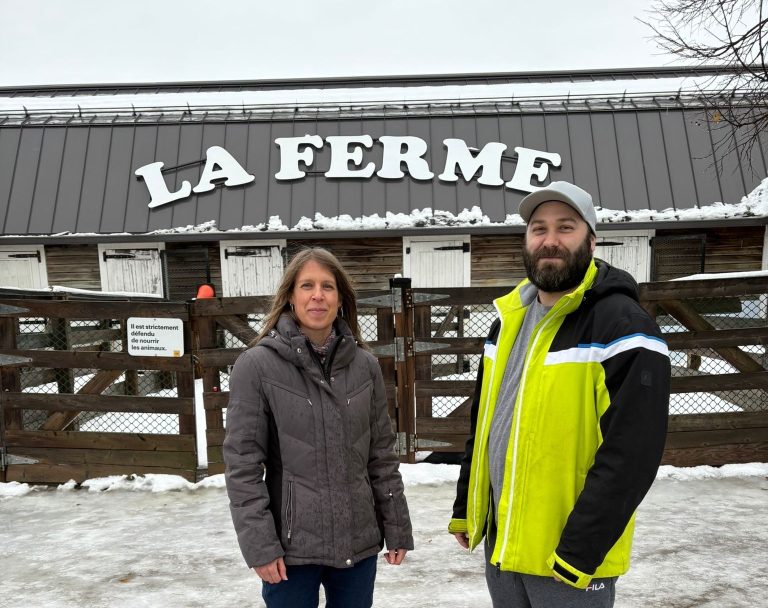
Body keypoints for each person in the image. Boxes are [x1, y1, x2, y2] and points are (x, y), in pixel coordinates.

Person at [449, 181, 670, 607]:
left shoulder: (623, 326)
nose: (550, 240)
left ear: (591, 239)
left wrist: (580, 550)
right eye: (538, 229)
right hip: (505, 547)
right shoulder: (507, 322)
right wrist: (467, 505)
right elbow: (485, 425)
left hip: (568, 562)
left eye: (565, 227)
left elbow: (633, 452)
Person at [224, 247, 413, 608]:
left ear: (340, 298)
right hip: (291, 550)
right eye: (307, 285)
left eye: (327, 286)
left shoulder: (365, 366)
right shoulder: (257, 366)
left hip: (357, 545)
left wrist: (397, 526)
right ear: (290, 296)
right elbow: (242, 465)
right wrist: (261, 546)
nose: (317, 295)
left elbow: (381, 457)